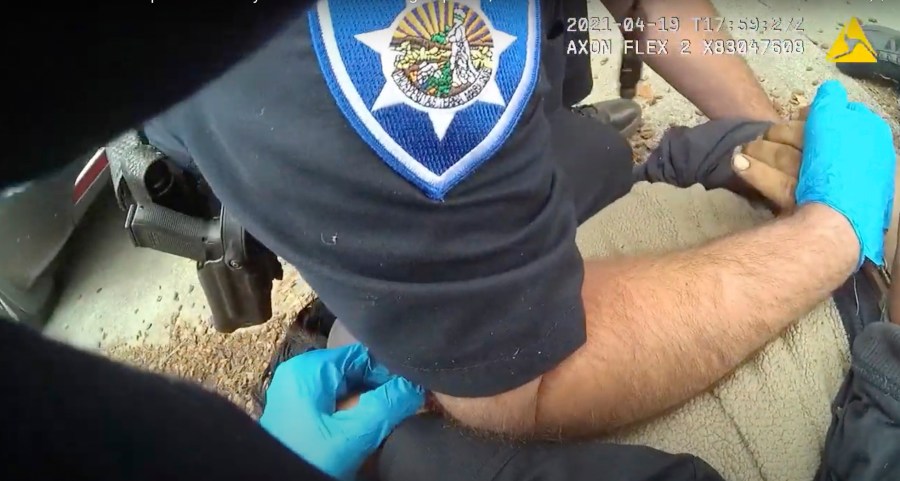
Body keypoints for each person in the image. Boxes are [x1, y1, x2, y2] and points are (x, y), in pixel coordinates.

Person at [2, 3, 900, 481]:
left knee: (581, 149)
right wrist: (830, 235)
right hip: (333, 99)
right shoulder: (364, 51)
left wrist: (761, 137)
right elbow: (522, 383)